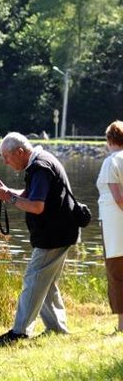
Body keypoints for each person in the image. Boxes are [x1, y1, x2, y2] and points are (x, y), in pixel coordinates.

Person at [0, 132, 79, 346]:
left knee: (34, 278)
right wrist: (5, 191)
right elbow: (31, 195)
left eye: (6, 157)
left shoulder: (40, 167)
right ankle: (57, 329)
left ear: (20, 152)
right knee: (46, 282)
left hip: (54, 235)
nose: (5, 162)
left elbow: (37, 206)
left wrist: (9, 197)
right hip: (61, 232)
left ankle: (19, 332)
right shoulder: (40, 161)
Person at [96, 120, 123, 333]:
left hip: (115, 225)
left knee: (117, 273)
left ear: (109, 140)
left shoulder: (111, 161)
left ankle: (122, 325)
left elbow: (118, 198)